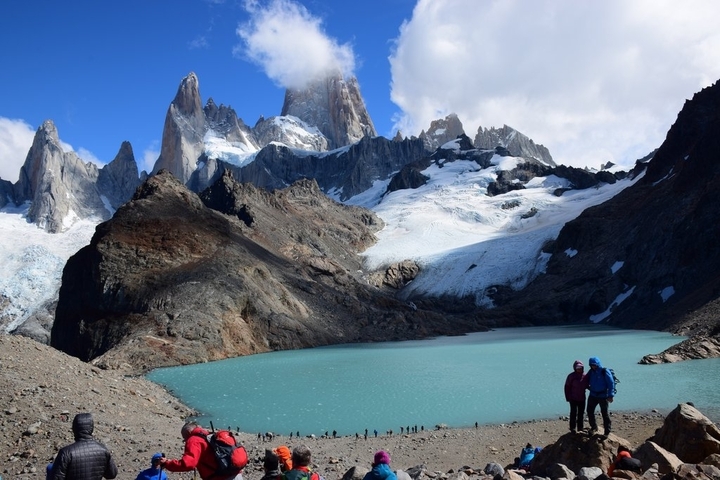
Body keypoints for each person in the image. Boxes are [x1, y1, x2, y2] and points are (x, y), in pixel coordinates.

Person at [160, 421, 243, 480]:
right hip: (235, 473)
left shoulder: (193, 440)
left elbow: (188, 464)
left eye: (185, 438)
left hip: (220, 477)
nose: (185, 441)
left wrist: (167, 463)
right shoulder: (209, 435)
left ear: (189, 432)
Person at [47, 412, 118, 480]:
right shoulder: (103, 449)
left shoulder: (66, 452)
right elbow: (112, 474)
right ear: (91, 428)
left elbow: (57, 478)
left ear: (74, 428)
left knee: (50, 467)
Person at [586, 356, 615, 436]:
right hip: (593, 395)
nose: (593, 366)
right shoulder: (591, 372)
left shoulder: (604, 371)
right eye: (591, 365)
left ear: (598, 364)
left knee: (604, 414)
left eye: (595, 365)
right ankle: (594, 427)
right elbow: (585, 380)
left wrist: (611, 395)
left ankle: (607, 431)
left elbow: (611, 383)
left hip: (603, 396)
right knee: (589, 411)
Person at [564, 360, 589, 433]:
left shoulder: (585, 376)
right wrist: (568, 397)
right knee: (573, 413)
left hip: (582, 398)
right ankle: (572, 428)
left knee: (581, 414)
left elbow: (588, 385)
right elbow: (567, 387)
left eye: (580, 367)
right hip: (573, 398)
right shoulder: (571, 376)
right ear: (574, 368)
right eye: (577, 367)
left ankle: (580, 428)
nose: (579, 369)